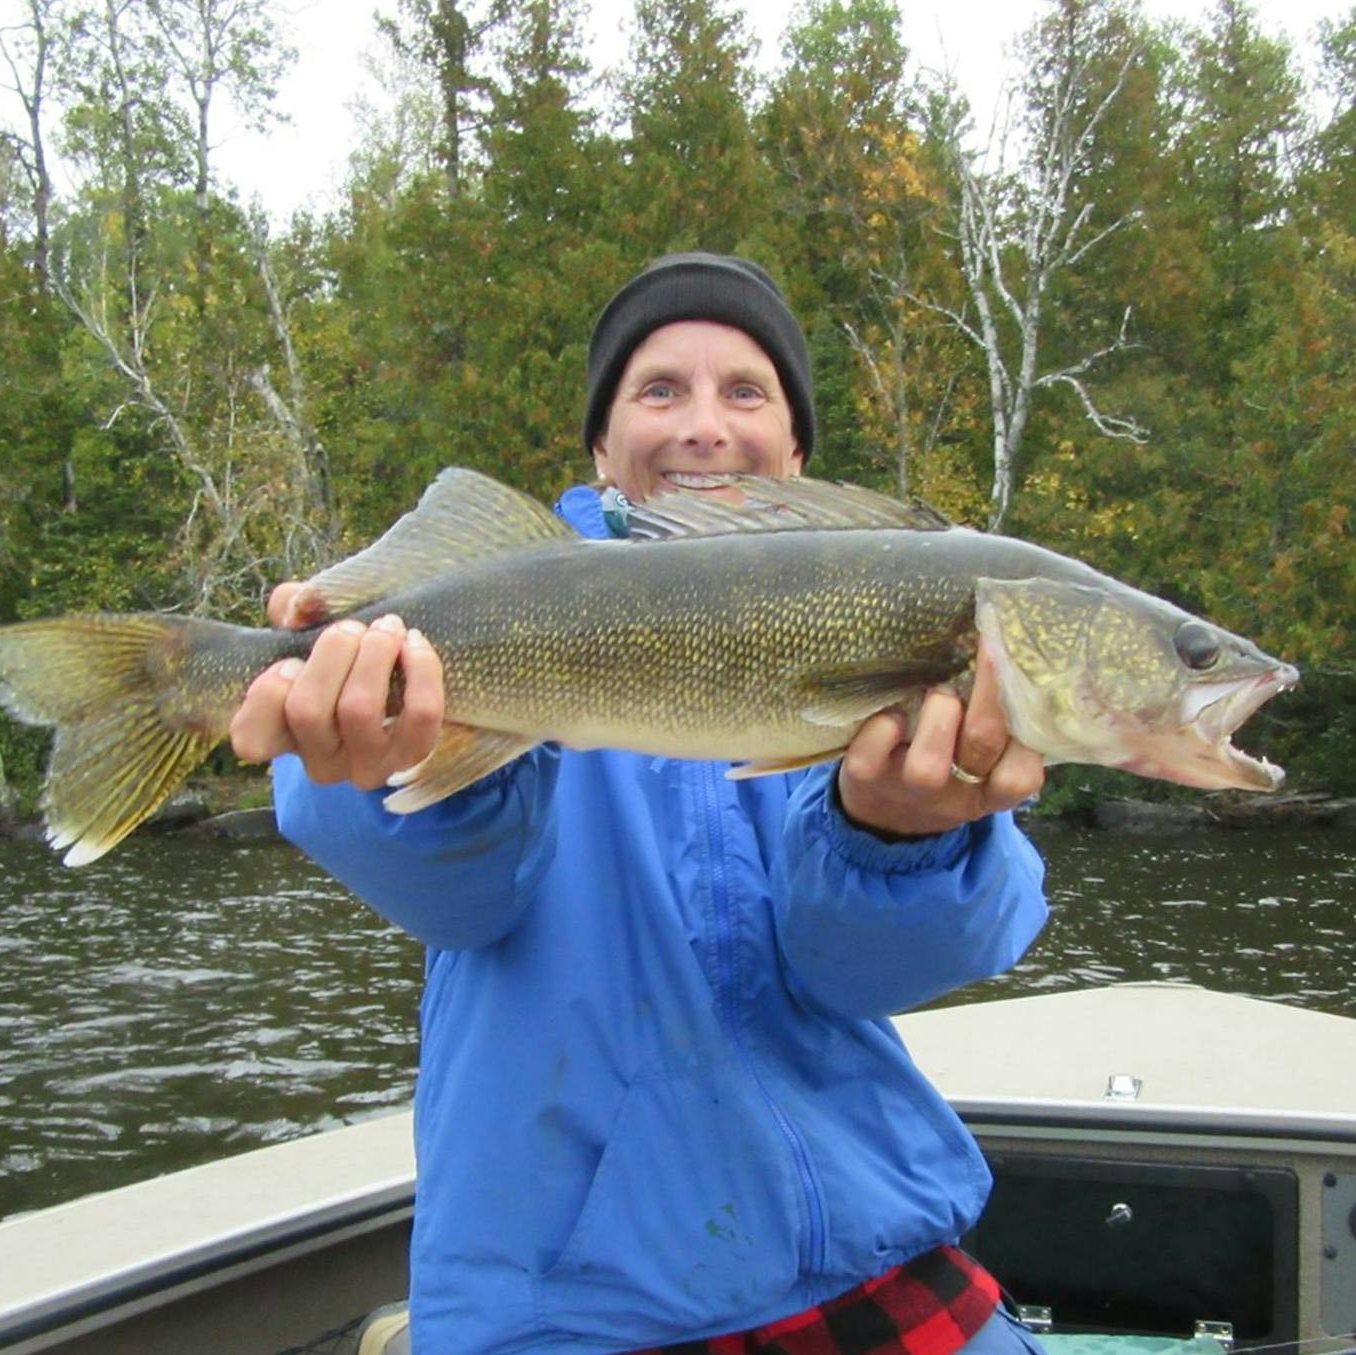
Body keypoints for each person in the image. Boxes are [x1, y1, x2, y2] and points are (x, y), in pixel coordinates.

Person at [230, 253, 1050, 1355]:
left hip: (869, 1258)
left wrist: (897, 835)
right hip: (565, 1305)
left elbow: (860, 975)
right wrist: (377, 765)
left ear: (796, 452)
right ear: (600, 450)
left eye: (744, 391)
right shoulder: (498, 603)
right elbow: (454, 899)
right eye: (658, 389)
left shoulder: (907, 654)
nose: (703, 425)